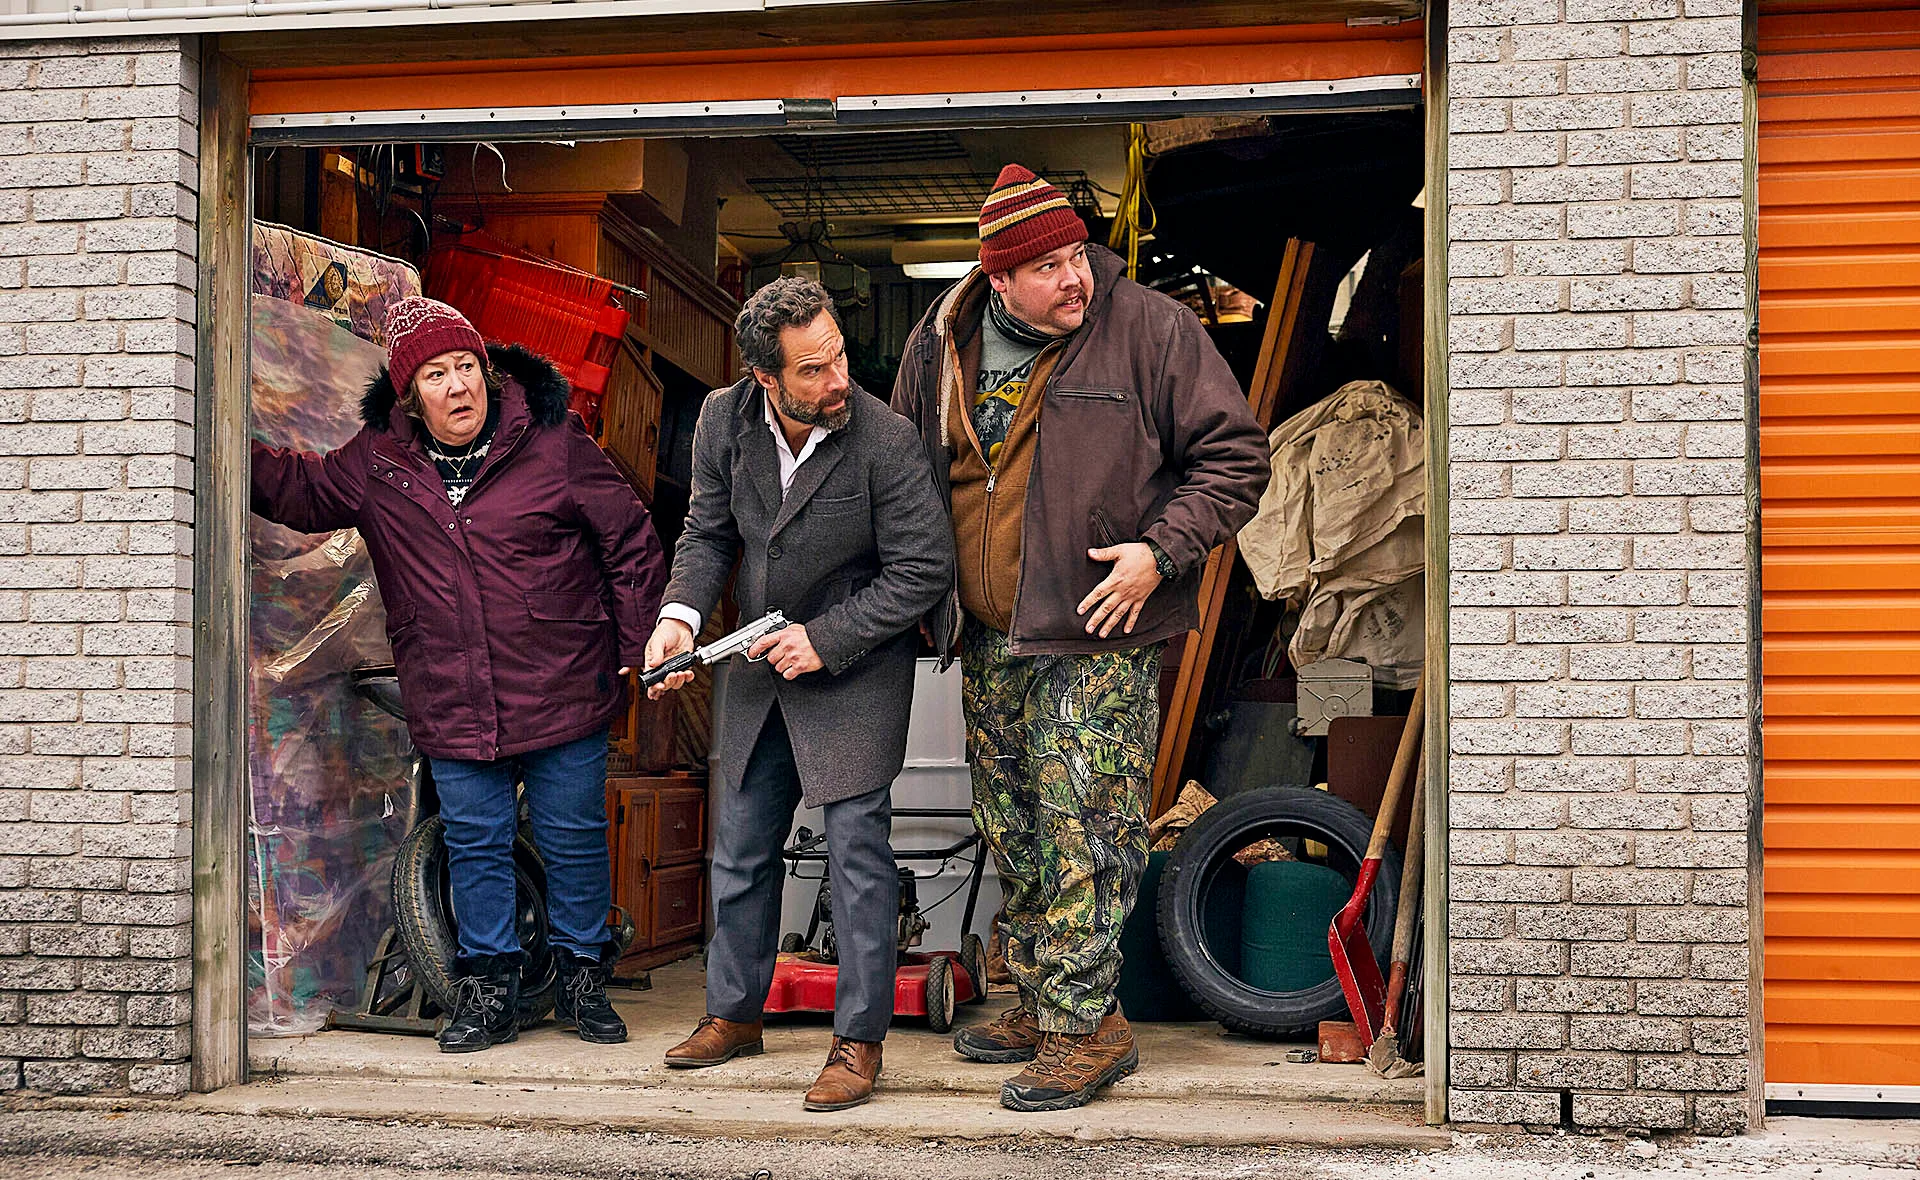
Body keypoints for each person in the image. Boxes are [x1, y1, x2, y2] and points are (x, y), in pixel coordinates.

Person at [892, 165, 1271, 1111]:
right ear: (998, 276)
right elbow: (904, 470)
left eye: (1077, 256)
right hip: (986, 634)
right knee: (1013, 824)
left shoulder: (1151, 329)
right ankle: (1042, 995)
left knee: (1085, 834)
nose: (1075, 278)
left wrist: (1160, 550)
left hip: (1097, 634)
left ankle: (1087, 1027)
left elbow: (1236, 458)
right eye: (1049, 267)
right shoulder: (942, 339)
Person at [250, 297, 665, 1054]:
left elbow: (631, 540)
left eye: (466, 366)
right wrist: (206, 436)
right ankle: (489, 990)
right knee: (476, 843)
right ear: (413, 394)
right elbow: (301, 493)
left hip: (562, 685)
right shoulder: (379, 460)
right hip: (450, 693)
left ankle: (581, 981)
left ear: (487, 371)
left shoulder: (551, 440)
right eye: (437, 374)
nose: (457, 386)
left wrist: (641, 644)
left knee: (572, 840)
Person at [645, 276, 953, 1112]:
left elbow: (924, 570)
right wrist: (678, 617)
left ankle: (859, 1041)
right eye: (813, 370)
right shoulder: (721, 420)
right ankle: (733, 1014)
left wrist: (825, 639)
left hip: (854, 670)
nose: (837, 380)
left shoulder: (886, 438)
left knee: (857, 857)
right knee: (740, 849)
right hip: (755, 674)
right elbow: (709, 532)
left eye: (839, 356)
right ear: (764, 380)